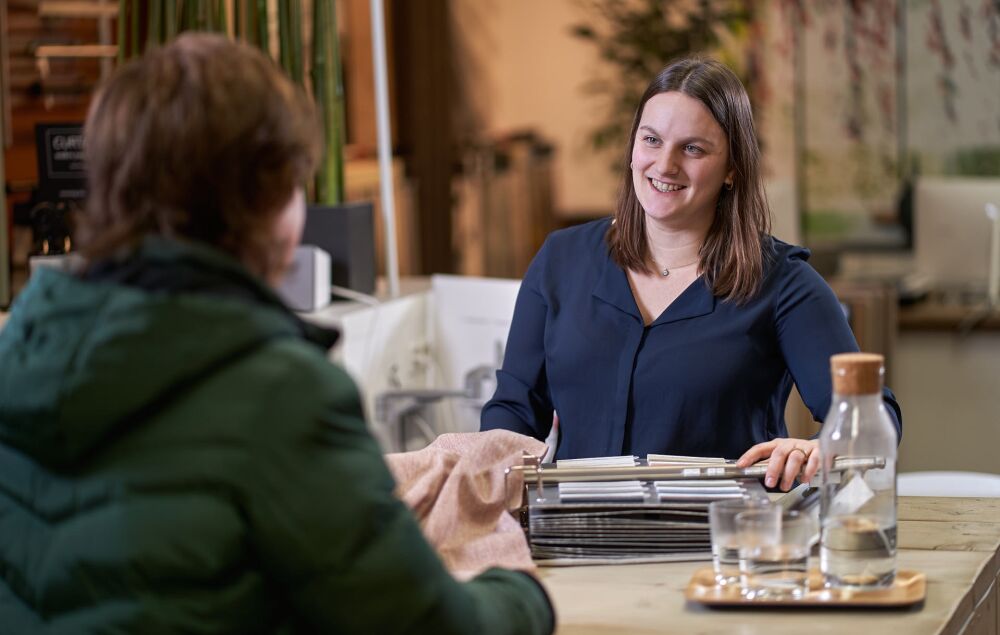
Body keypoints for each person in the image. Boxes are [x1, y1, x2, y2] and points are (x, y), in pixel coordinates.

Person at [0, 34, 553, 634]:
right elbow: (422, 623)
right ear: (265, 203)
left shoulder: (22, 348)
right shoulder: (277, 392)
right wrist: (521, 592)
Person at [480, 57, 901, 492]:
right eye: (652, 140)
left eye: (693, 148)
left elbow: (875, 417)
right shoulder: (561, 261)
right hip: (571, 542)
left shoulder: (784, 284)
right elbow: (513, 410)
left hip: (722, 544)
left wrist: (816, 449)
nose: (664, 165)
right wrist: (493, 470)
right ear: (632, 148)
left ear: (733, 168)